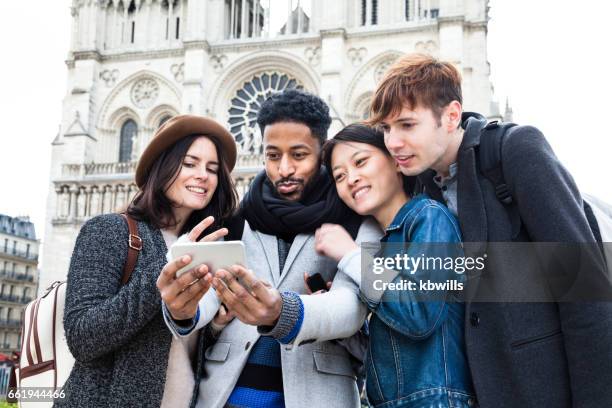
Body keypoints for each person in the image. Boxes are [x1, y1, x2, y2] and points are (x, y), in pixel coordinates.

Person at [366, 53, 612, 407]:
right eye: (386, 129)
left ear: (451, 116)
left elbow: (584, 288)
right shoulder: (420, 188)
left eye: (406, 125)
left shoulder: (515, 150)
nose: (393, 143)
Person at [162, 89, 381, 408]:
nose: (285, 168)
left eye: (299, 155)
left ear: (323, 153)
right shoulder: (235, 218)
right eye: (273, 155)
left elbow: (351, 307)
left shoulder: (356, 220)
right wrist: (184, 310)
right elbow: (209, 295)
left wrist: (282, 312)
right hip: (225, 397)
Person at [58, 115, 238, 407]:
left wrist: (215, 327)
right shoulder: (108, 231)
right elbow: (82, 337)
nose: (203, 175)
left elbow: (179, 348)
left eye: (212, 168)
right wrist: (165, 270)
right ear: (162, 165)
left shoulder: (210, 246)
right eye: (190, 163)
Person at [314, 123, 476, 407]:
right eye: (339, 176)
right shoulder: (383, 245)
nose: (351, 178)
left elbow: (419, 313)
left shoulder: (429, 217)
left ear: (396, 163)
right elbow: (391, 349)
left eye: (361, 162)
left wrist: (351, 257)